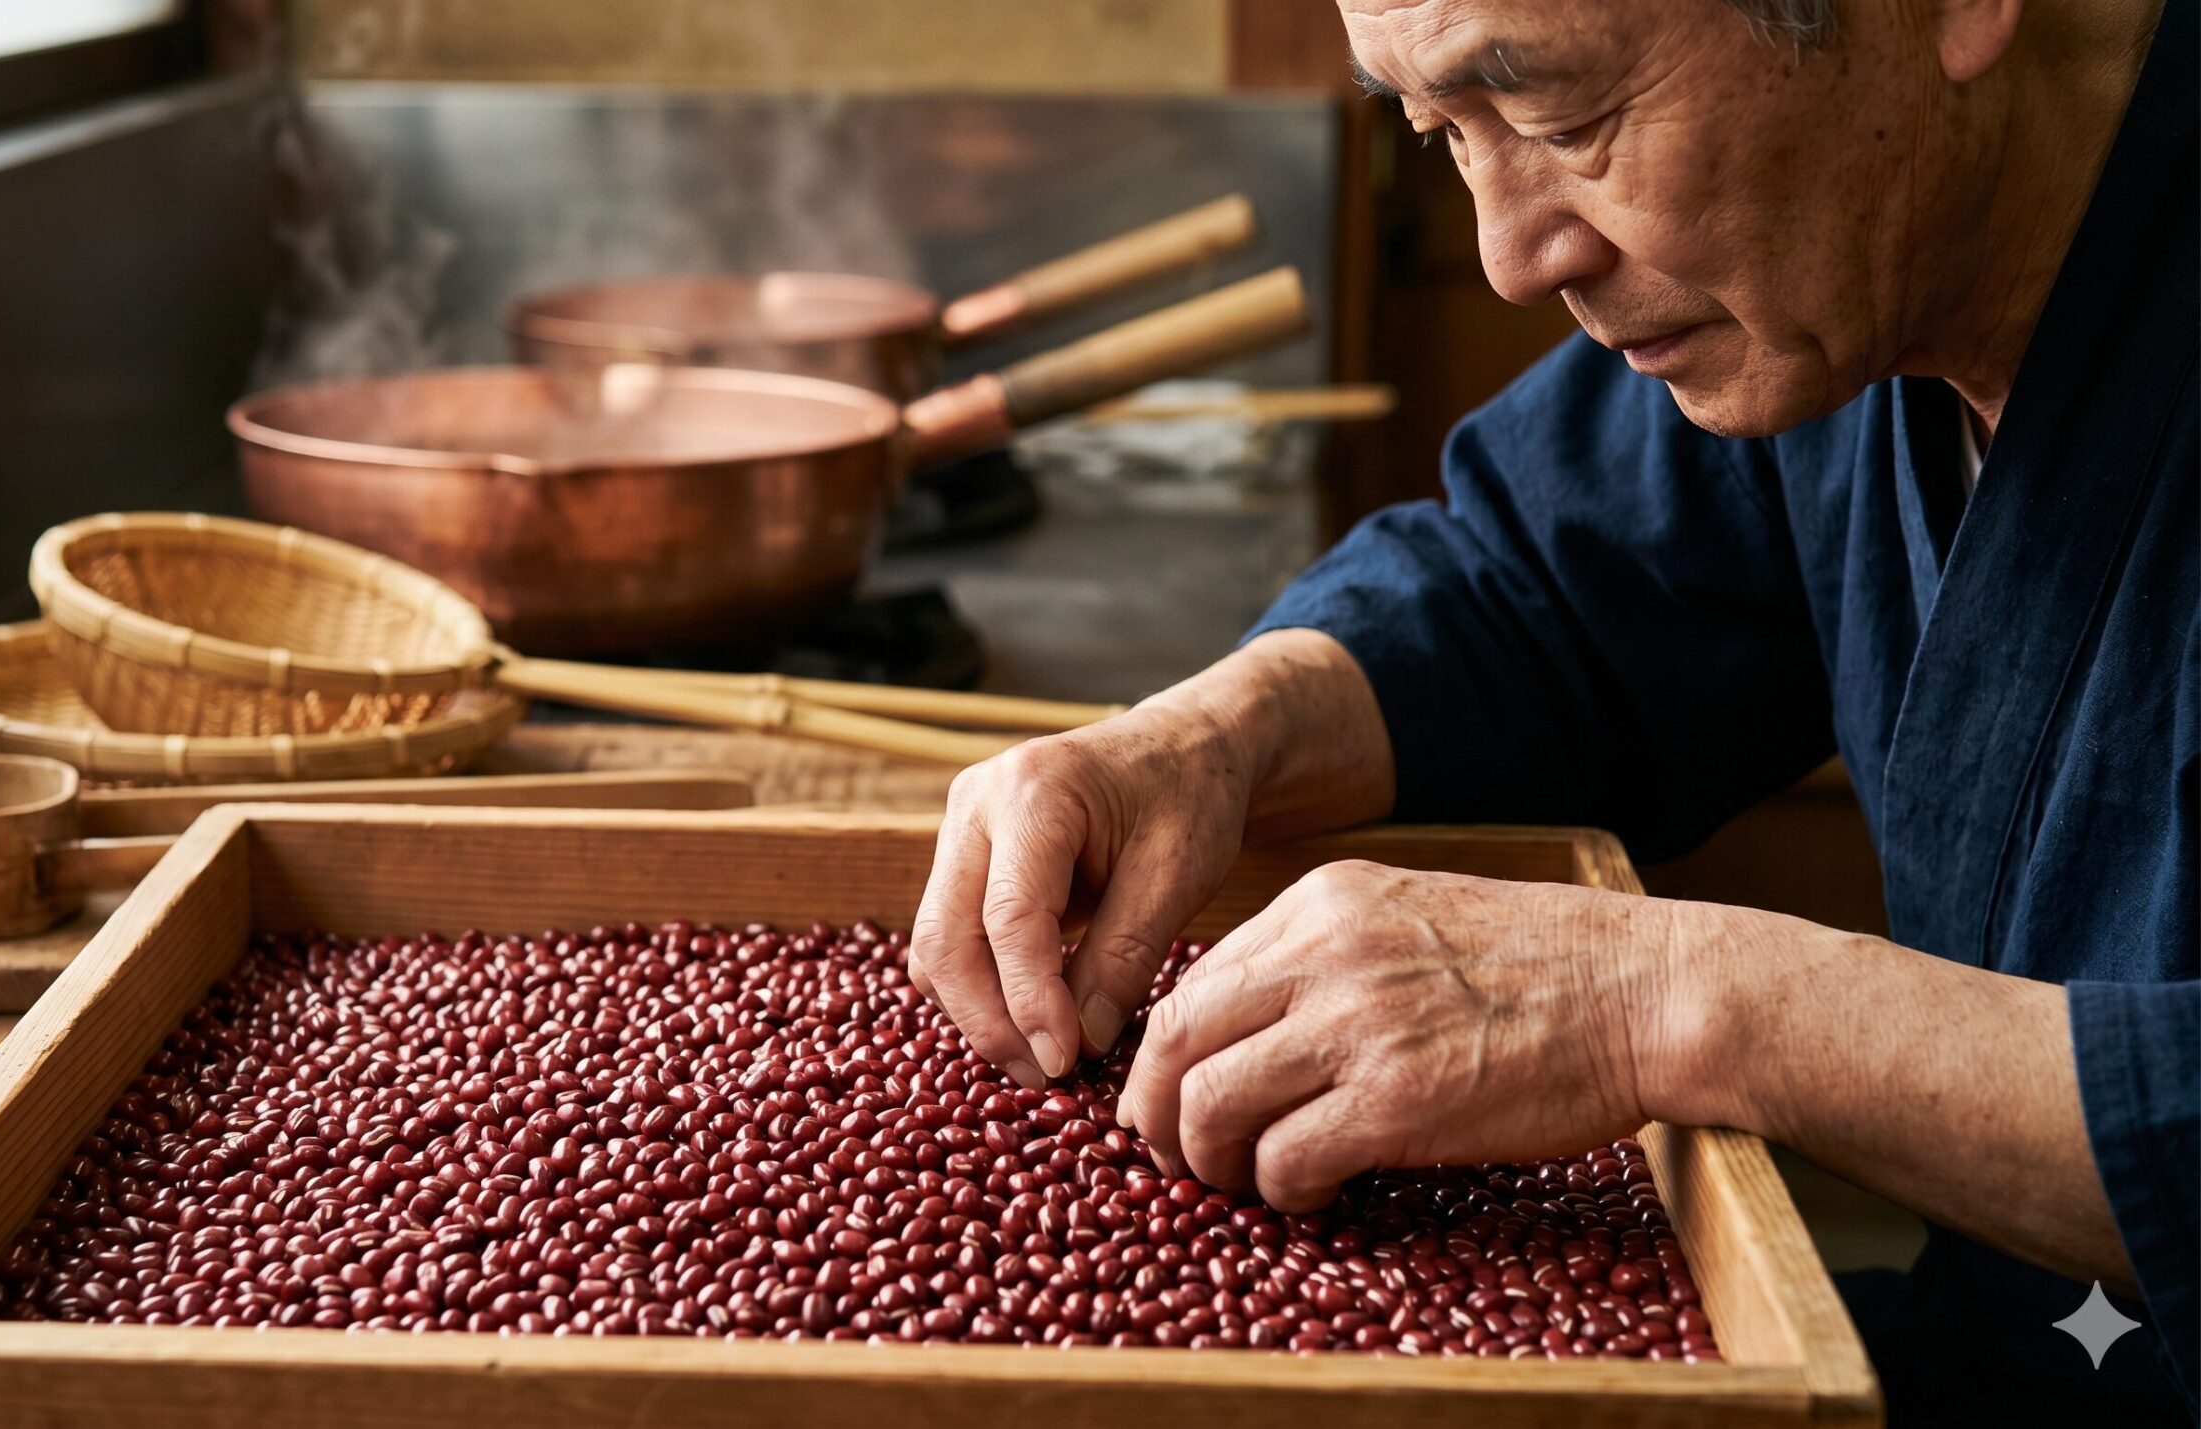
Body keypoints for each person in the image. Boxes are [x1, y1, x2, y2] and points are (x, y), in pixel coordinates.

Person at [905, 0, 2195, 1422]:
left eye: (1562, 120)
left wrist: (1672, 1002)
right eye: (1443, 133)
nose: (1510, 261)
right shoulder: (1842, 271)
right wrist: (1211, 736)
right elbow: (1550, 586)